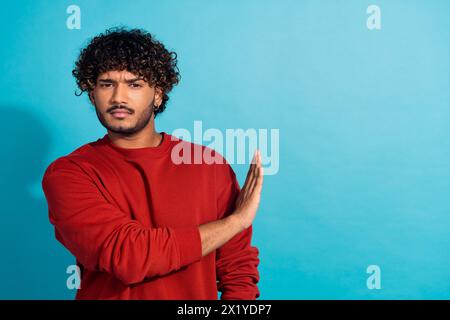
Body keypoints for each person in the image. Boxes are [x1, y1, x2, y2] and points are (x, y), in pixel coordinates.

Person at [41, 27, 264, 300]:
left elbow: (237, 270)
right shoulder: (69, 173)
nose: (118, 98)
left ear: (157, 94)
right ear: (91, 94)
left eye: (134, 84)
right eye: (106, 84)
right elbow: (129, 257)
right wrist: (236, 221)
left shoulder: (209, 166)